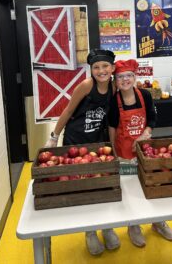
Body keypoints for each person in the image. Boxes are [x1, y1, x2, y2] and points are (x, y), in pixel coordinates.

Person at [45, 49, 120, 256]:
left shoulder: (114, 87)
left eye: (105, 66)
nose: (101, 70)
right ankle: (90, 232)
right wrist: (53, 136)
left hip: (97, 142)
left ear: (112, 68)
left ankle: (107, 226)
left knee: (102, 184)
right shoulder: (87, 86)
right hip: (76, 141)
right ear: (91, 70)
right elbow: (68, 110)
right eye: (96, 67)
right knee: (83, 186)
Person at [108, 59, 172, 248]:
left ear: (134, 77)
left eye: (128, 76)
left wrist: (144, 135)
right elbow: (112, 127)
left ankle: (158, 222)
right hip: (124, 153)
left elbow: (153, 119)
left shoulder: (145, 95)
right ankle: (133, 225)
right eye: (120, 77)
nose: (125, 80)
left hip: (145, 151)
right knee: (130, 192)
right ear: (115, 80)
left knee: (152, 185)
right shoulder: (114, 101)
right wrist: (114, 152)